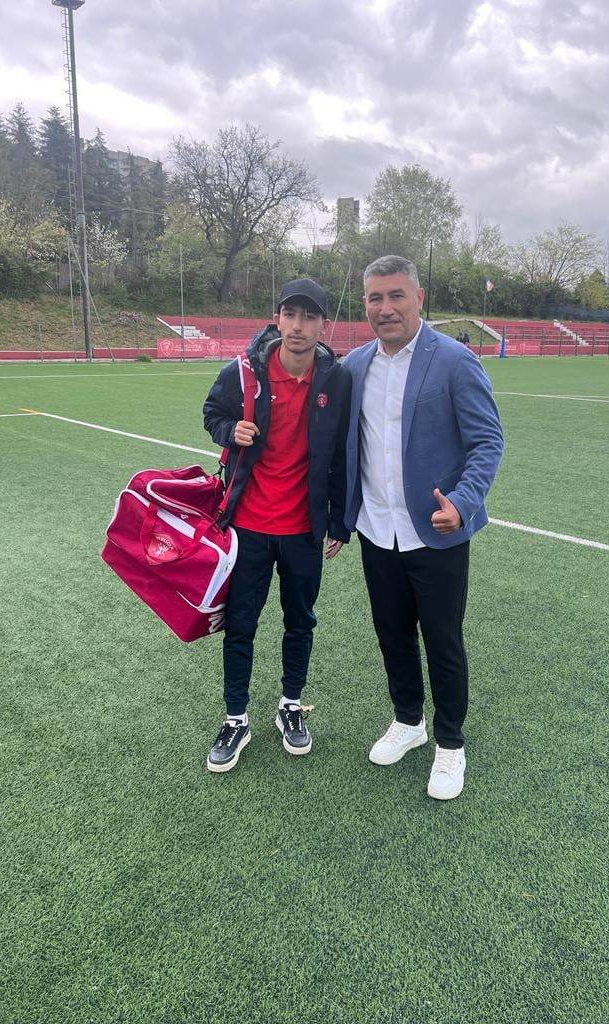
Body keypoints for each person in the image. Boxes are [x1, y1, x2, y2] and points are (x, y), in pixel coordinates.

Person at [342, 255, 504, 800]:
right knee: (392, 634)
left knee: (443, 640)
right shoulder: (354, 366)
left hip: (437, 531)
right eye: (375, 298)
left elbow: (488, 442)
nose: (385, 308)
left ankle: (450, 743)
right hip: (376, 529)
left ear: (419, 298)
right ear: (365, 304)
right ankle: (408, 720)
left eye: (396, 296)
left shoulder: (455, 360)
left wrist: (462, 501)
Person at [202, 279, 351, 773]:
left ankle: (290, 705)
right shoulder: (243, 372)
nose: (298, 326)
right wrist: (231, 430)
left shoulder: (336, 380)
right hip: (247, 527)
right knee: (240, 624)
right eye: (291, 314)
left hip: (303, 529)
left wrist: (340, 520)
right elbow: (212, 414)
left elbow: (342, 454)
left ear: (323, 325)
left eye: (309, 317)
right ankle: (236, 718)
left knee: (300, 620)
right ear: (278, 318)